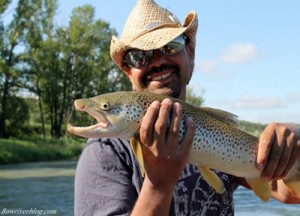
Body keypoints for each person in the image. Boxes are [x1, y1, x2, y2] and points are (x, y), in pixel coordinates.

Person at [74, 0, 300, 215]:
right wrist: (158, 185)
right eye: (139, 56)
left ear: (190, 53)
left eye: (170, 46)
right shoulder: (105, 153)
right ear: (127, 71)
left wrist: (295, 142)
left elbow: (289, 194)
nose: (158, 61)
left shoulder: (215, 129)